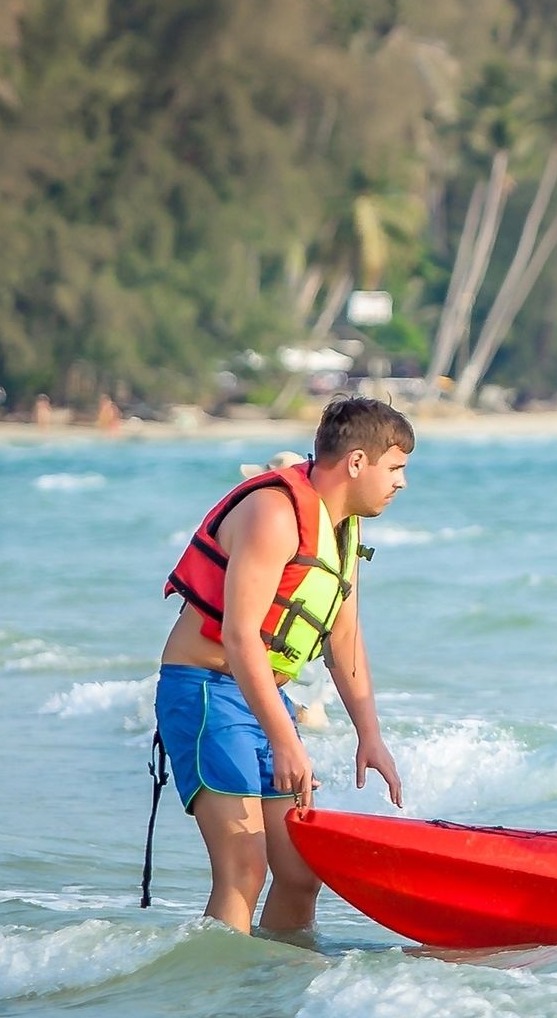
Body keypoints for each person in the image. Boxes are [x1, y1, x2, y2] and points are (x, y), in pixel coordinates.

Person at [153, 396, 414, 936]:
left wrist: (371, 734)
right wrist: (289, 741)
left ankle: (278, 1000)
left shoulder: (343, 528)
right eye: (396, 467)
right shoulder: (274, 514)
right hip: (206, 692)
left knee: (298, 873)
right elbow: (240, 635)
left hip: (261, 699)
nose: (402, 483)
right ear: (357, 463)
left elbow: (345, 635)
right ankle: (223, 1012)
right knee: (242, 871)